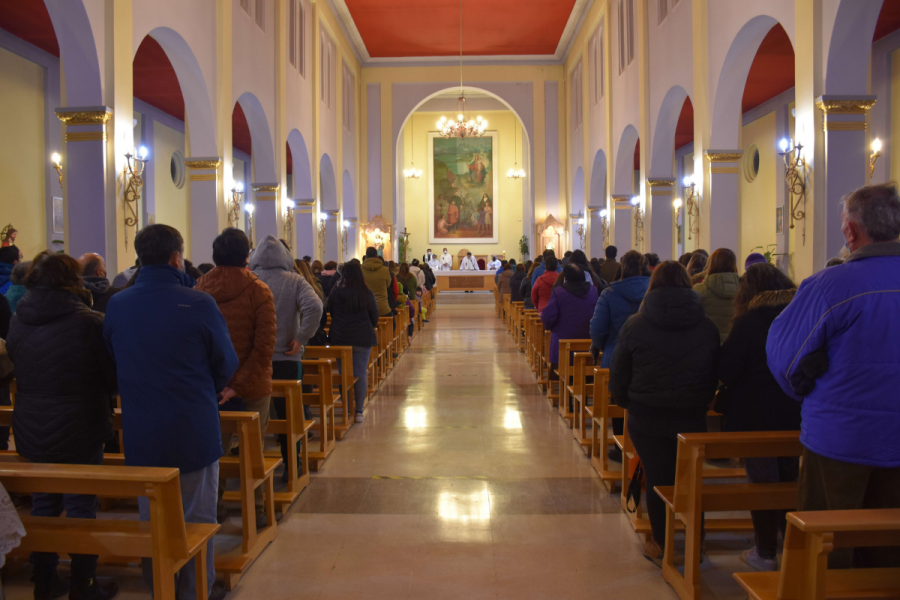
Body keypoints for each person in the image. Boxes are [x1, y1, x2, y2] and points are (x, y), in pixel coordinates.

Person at [767, 183, 900, 569]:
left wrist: (810, 393)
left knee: (825, 548)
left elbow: (784, 359)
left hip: (841, 438)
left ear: (850, 231)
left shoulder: (831, 285)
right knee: (889, 554)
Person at [104, 224, 237, 600]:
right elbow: (226, 362)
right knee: (197, 516)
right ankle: (195, 591)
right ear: (176, 258)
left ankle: (160, 586)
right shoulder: (198, 303)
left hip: (142, 425)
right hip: (192, 423)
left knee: (154, 519)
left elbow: (113, 355)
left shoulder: (118, 303)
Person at [9, 253, 119, 600]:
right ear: (75, 281)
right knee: (81, 504)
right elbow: (111, 379)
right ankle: (83, 583)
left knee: (44, 502)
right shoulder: (89, 322)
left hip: (30, 424)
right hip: (80, 425)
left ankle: (44, 580)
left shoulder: (19, 319)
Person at [609, 261, 720, 564]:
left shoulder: (634, 324)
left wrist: (626, 402)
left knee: (658, 477)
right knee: (691, 477)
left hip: (646, 417)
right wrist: (701, 400)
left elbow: (618, 376)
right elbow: (713, 374)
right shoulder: (707, 326)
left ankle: (660, 542)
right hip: (692, 415)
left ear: (653, 285)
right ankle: (697, 542)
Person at [717, 263, 799, 572]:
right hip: (797, 411)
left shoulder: (749, 322)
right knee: (789, 479)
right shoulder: (799, 315)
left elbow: (728, 370)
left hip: (756, 415)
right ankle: (793, 546)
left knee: (763, 482)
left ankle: (766, 552)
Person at [194, 228, 277, 526]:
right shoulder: (259, 290)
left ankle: (214, 507)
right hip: (252, 386)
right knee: (252, 449)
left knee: (214, 448)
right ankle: (254, 511)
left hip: (211, 386)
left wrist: (222, 384)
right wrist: (238, 385)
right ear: (247, 255)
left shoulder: (198, 289)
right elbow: (264, 346)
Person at [250, 235, 323, 481]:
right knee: (288, 415)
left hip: (253, 360)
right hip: (286, 358)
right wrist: (302, 338)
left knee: (250, 417)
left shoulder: (249, 280)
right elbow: (315, 307)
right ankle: (292, 464)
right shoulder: (294, 280)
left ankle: (249, 468)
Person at [589, 250, 651, 461]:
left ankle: (620, 445)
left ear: (622, 267)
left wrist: (596, 346)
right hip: (648, 355)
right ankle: (643, 446)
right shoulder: (653, 291)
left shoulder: (610, 293)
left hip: (616, 353)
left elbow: (597, 327)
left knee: (618, 399)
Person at [323, 259, 378, 422]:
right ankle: (359, 411)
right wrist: (368, 325)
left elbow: (330, 309)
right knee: (360, 373)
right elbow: (374, 314)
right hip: (362, 337)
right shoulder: (366, 290)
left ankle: (347, 409)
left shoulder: (337, 289)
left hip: (340, 337)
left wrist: (340, 323)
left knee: (343, 374)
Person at [541, 264, 599, 405]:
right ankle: (582, 399)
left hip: (564, 343)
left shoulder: (559, 292)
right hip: (588, 342)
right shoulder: (593, 291)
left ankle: (568, 401)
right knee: (583, 370)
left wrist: (551, 327)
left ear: (565, 277)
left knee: (566, 368)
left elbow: (548, 316)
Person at [692, 248, 740, 343]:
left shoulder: (699, 290)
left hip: (707, 343)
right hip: (735, 345)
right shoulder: (744, 289)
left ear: (711, 264)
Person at [361, 247, 394, 317]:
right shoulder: (385, 270)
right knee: (393, 324)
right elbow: (388, 284)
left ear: (366, 258)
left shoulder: (360, 270)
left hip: (365, 308)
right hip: (382, 308)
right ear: (377, 257)